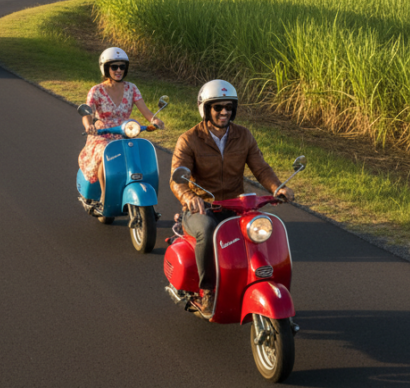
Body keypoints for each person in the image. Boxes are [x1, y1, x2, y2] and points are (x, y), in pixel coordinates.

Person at [170, 79, 293, 319]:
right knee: (207, 229)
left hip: (236, 206)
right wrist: (189, 196)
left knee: (262, 228)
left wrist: (277, 187)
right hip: (202, 208)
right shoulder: (189, 139)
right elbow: (178, 177)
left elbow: (261, 168)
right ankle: (207, 290)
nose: (224, 112)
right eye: (218, 107)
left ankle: (257, 282)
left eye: (229, 107)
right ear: (206, 109)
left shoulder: (243, 136)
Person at [78, 48, 165, 209]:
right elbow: (87, 112)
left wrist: (155, 119)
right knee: (106, 153)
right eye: (114, 66)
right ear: (106, 68)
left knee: (138, 153)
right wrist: (89, 125)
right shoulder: (96, 90)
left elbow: (144, 110)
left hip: (126, 130)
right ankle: (105, 197)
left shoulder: (132, 88)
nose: (118, 70)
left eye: (122, 67)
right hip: (102, 133)